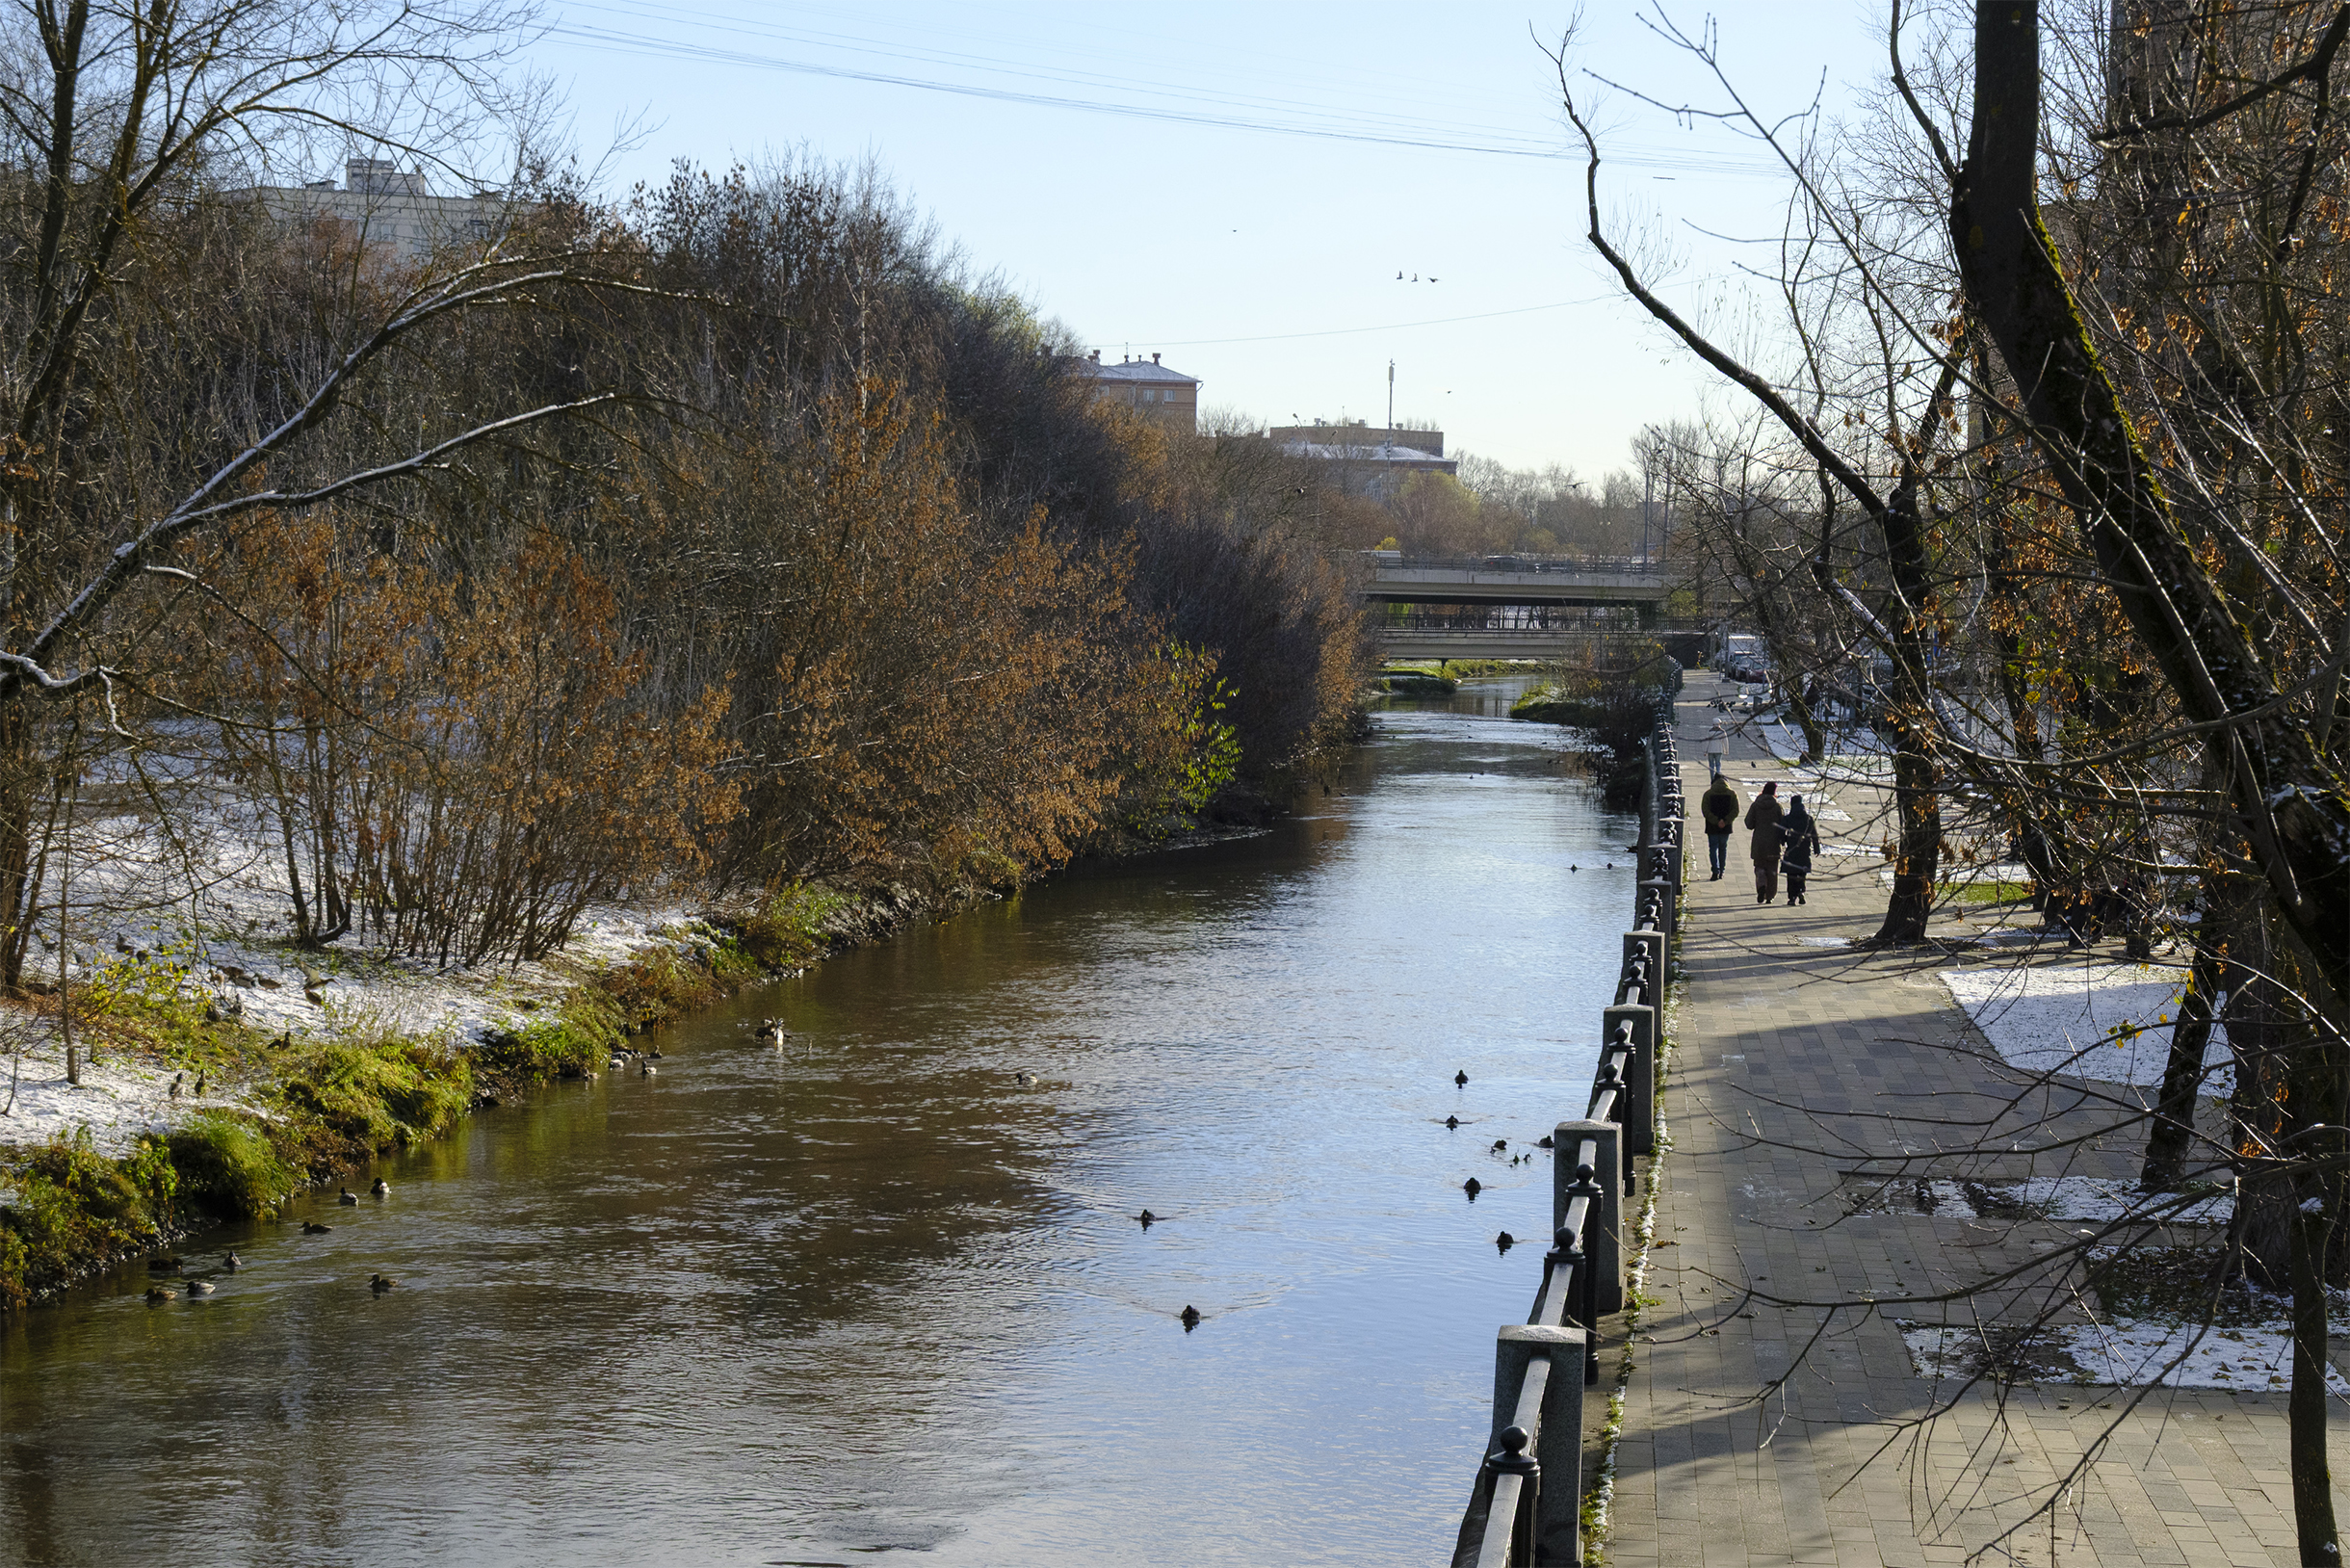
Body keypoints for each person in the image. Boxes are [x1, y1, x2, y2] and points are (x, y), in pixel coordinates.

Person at [1744, 781, 1785, 904]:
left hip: (1759, 843)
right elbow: (1783, 825)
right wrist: (1783, 840)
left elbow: (1748, 823)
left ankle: (1761, 885)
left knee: (1759, 867)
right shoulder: (1777, 807)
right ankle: (1770, 896)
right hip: (1773, 843)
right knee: (1772, 871)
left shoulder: (1756, 805)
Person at [1780, 795, 1820, 905]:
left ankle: (1792, 897)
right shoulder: (1808, 819)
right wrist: (1817, 849)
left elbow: (1781, 832)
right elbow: (1814, 835)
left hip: (1792, 850)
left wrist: (1783, 841)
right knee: (1801, 873)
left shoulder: (1788, 818)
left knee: (1791, 874)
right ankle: (1801, 891)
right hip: (1804, 850)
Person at [1700, 772, 1739, 879]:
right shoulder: (1732, 794)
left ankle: (1715, 871)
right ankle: (1722, 870)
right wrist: (1725, 821)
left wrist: (1716, 821)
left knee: (1713, 849)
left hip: (1712, 827)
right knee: (1723, 848)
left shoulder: (1708, 794)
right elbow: (1735, 810)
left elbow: (1705, 810)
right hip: (1725, 828)